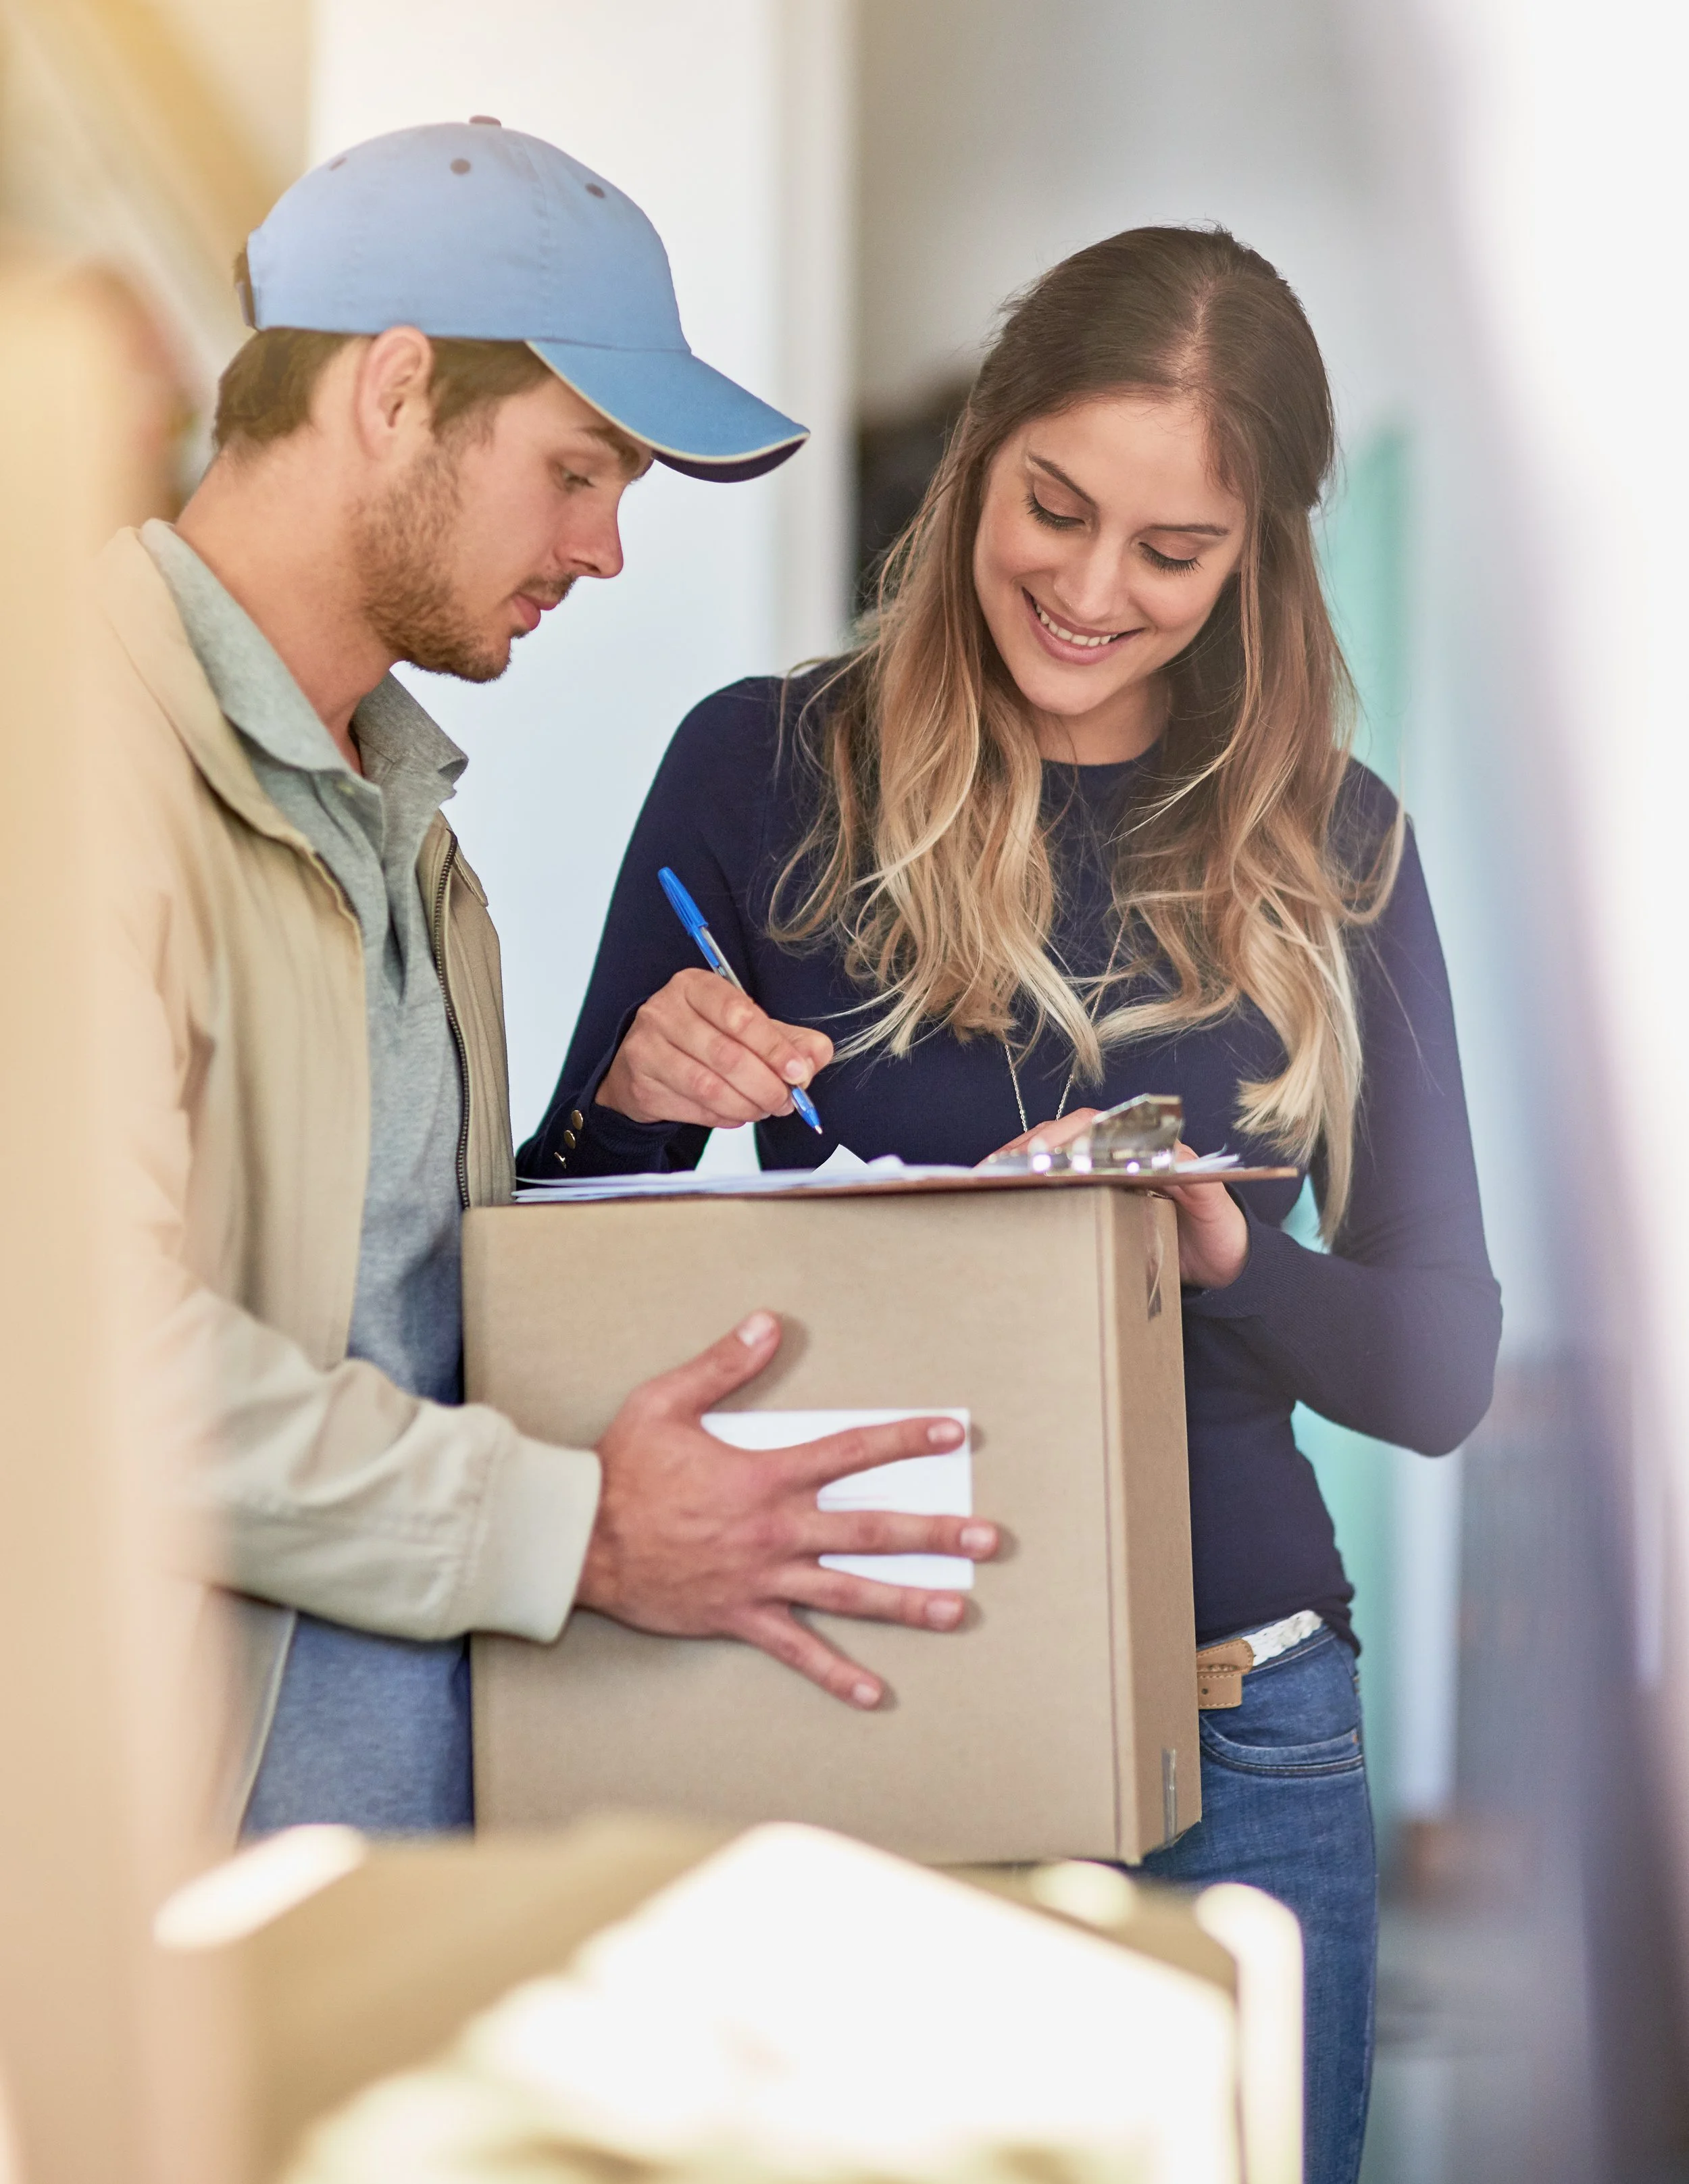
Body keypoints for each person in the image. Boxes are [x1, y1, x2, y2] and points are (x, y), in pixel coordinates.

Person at [523, 226, 1503, 2184]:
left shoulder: (1337, 841)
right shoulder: (760, 770)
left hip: (1244, 1735)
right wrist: (636, 1097)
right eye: (1053, 510)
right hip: (871, 1693)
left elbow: (1442, 1362)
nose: (1087, 589)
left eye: (1172, 552)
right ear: (979, 458)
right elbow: (553, 1252)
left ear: (1258, 560)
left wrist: (1219, 1261)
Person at [99, 118, 1000, 1846]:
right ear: (396, 390)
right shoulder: (69, 761)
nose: (599, 550)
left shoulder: (418, 847)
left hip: (391, 1866)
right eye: (575, 470)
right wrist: (580, 1528)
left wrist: (612, 1121)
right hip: (147, 1913)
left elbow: (389, 1319)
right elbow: (74, 1362)